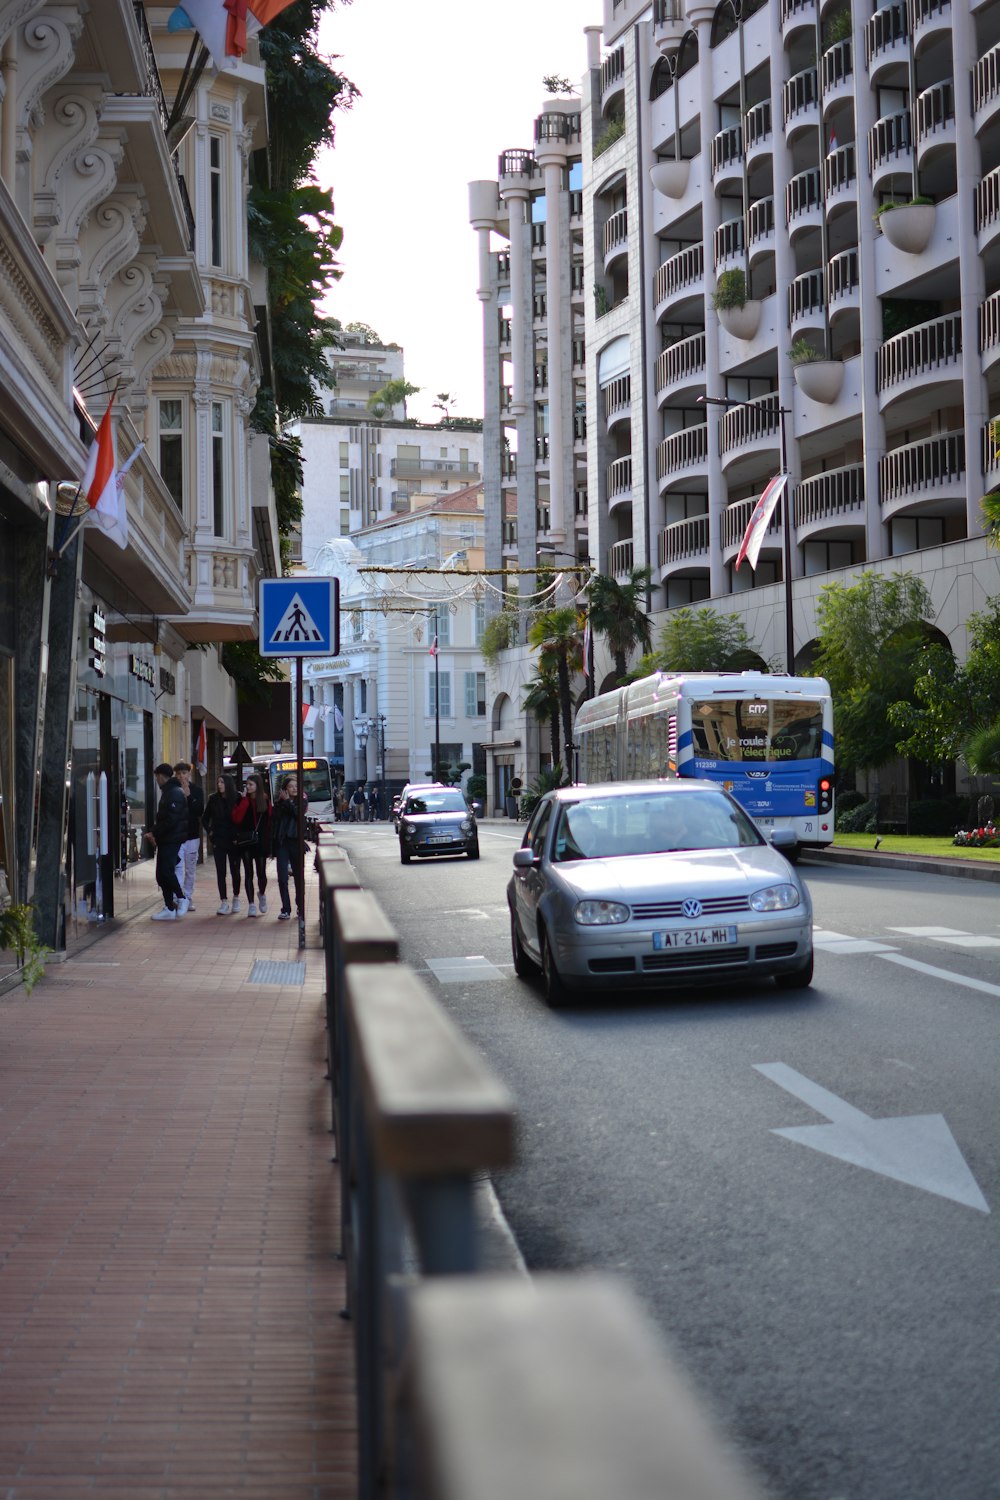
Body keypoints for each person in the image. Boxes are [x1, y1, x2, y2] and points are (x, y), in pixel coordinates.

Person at [145, 763, 189, 920]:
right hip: (165, 839)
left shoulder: (174, 793)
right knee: (161, 875)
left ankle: (181, 898)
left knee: (166, 871)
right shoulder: (168, 792)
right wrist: (154, 831)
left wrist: (154, 831)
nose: (156, 780)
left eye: (157, 777)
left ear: (161, 776)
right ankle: (169, 907)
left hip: (172, 839)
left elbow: (171, 819)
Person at [232, 773, 271, 917]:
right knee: (249, 873)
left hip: (260, 842)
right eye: (247, 785)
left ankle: (261, 893)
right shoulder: (243, 800)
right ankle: (251, 904)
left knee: (261, 874)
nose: (247, 787)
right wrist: (243, 801)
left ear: (257, 786)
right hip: (246, 841)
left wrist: (269, 845)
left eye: (250, 785)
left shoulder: (265, 800)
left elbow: (269, 823)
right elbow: (236, 818)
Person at [203, 773, 242, 914]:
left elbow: (242, 817)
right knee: (221, 872)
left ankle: (236, 897)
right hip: (219, 840)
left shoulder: (237, 798)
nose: (219, 784)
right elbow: (204, 818)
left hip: (234, 840)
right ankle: (223, 901)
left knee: (235, 871)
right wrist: (210, 832)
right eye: (218, 782)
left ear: (228, 784)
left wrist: (238, 834)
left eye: (222, 782)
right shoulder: (213, 799)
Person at [271, 774, 308, 921]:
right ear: (284, 789)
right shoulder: (279, 804)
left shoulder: (302, 802)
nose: (294, 789)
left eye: (296, 786)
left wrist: (288, 802)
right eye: (290, 786)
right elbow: (275, 821)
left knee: (299, 877)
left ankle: (300, 906)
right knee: (282, 877)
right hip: (282, 843)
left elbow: (297, 814)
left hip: (296, 843)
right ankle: (285, 908)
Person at [173, 761, 204, 912]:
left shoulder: (196, 790)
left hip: (192, 836)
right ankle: (179, 897)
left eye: (184, 773)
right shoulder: (172, 789)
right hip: (177, 836)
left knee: (190, 869)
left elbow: (199, 811)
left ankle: (188, 896)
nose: (181, 776)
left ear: (189, 774)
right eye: (178, 774)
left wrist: (189, 796)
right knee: (177, 867)